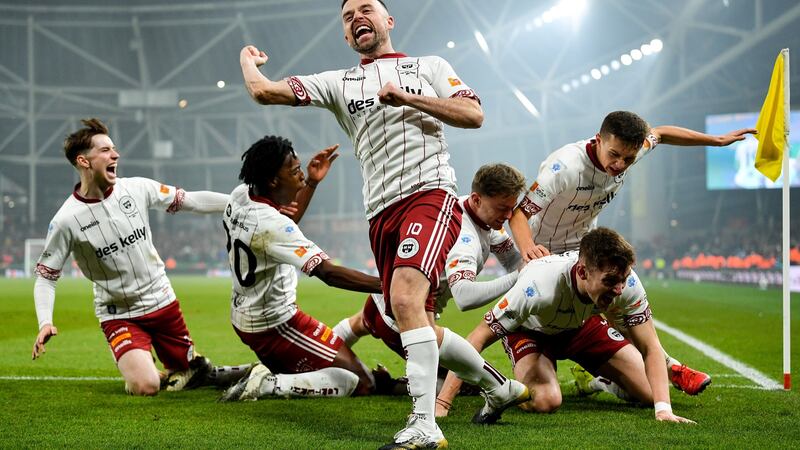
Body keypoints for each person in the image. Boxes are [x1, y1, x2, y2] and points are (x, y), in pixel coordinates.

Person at [239, 0, 488, 447]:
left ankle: (424, 423)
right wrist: (247, 59)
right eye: (347, 17)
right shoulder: (339, 82)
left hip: (428, 194)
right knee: (414, 319)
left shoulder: (428, 66)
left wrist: (408, 98)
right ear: (346, 36)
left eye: (366, 9)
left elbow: (473, 114)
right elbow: (263, 91)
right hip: (381, 213)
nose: (357, 18)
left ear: (388, 21)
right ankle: (499, 388)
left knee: (406, 297)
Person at [508, 111, 756, 396]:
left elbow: (660, 133)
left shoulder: (629, 152)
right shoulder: (563, 166)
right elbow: (518, 214)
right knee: (559, 339)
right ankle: (670, 366)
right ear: (598, 139)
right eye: (614, 154)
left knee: (616, 303)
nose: (619, 164)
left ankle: (612, 373)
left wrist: (715, 140)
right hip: (546, 257)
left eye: (627, 158)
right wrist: (529, 251)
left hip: (584, 252)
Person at [32, 118, 230, 395]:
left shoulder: (137, 188)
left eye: (113, 148)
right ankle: (136, 361)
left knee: (188, 373)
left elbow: (191, 201)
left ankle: (163, 361)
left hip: (161, 300)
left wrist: (240, 203)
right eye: (105, 150)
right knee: (145, 386)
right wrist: (45, 322)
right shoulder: (66, 220)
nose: (115, 154)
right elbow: (46, 277)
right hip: (118, 311)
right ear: (84, 161)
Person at [330, 163, 528, 416]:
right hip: (403, 319)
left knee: (358, 323)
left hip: (385, 297)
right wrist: (517, 278)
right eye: (503, 208)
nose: (509, 216)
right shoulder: (464, 238)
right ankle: (495, 387)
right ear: (477, 199)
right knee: (459, 382)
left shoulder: (476, 213)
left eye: (511, 208)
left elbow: (513, 260)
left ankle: (318, 354)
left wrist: (534, 265)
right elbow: (465, 297)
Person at [218, 135, 400, 402]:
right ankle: (267, 383)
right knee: (362, 383)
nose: (301, 176)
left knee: (328, 366)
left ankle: (257, 371)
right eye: (294, 172)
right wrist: (387, 284)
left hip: (247, 314)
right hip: (276, 325)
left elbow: (283, 227)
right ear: (272, 181)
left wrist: (312, 183)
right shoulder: (271, 225)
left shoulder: (242, 196)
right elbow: (328, 273)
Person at [455, 227, 696, 423]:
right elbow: (480, 335)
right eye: (611, 281)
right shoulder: (538, 285)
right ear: (582, 272)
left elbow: (650, 346)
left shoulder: (625, 282)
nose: (619, 289)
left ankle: (599, 381)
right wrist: (442, 403)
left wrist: (663, 410)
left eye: (622, 280)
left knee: (653, 394)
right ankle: (505, 388)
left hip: (581, 326)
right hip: (532, 331)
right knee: (546, 400)